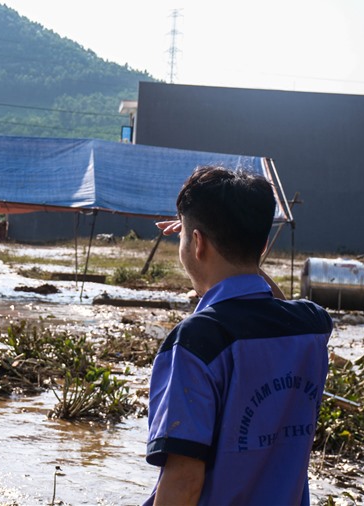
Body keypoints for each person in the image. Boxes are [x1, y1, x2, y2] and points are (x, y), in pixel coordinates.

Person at [143, 166, 333, 506]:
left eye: (187, 236)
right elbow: (275, 308)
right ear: (261, 246)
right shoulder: (312, 326)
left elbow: (184, 482)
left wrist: (211, 239)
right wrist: (237, 250)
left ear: (197, 244)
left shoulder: (197, 341)